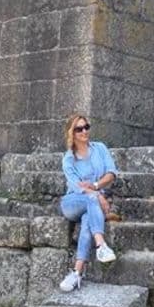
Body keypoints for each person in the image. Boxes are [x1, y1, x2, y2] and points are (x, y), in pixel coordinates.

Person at [58, 112, 117, 292]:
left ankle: (76, 273)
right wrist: (98, 194)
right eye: (79, 129)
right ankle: (101, 244)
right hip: (72, 202)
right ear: (72, 133)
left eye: (86, 127)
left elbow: (111, 173)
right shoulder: (68, 159)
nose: (84, 131)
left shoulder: (100, 148)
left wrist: (96, 185)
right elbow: (77, 187)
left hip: (91, 203)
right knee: (92, 198)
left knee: (87, 222)